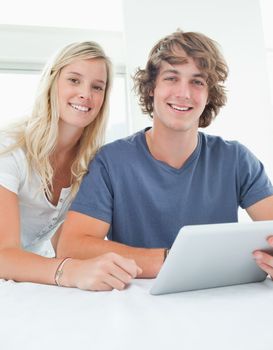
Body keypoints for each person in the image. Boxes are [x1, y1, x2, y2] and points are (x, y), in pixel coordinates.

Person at [57, 30, 273, 279]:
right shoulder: (111, 161)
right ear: (151, 88)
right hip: (138, 302)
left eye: (197, 81)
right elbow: (72, 246)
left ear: (208, 95)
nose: (184, 93)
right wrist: (176, 261)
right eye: (171, 78)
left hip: (218, 298)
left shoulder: (236, 159)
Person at [0, 41, 141, 291]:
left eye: (97, 87)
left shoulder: (92, 163)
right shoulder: (8, 149)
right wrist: (70, 271)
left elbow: (65, 244)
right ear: (52, 83)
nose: (86, 93)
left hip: (24, 282)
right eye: (74, 80)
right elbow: (3, 255)